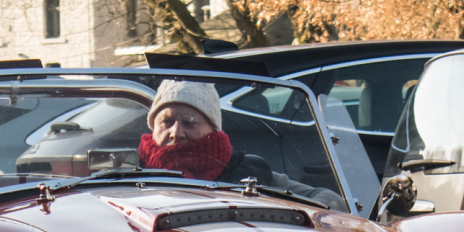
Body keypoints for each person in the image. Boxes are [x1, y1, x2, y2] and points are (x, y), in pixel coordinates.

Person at [137, 80, 345, 209]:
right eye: (166, 122)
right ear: (153, 127)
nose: (176, 132)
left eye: (189, 123)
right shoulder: (128, 175)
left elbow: (330, 200)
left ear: (212, 129)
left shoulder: (248, 172)